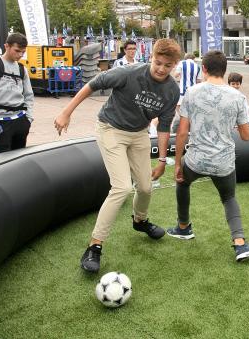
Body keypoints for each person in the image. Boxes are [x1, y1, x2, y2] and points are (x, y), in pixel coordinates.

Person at [54, 38, 182, 273]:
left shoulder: (172, 91)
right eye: (158, 62)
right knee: (122, 187)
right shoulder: (128, 73)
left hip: (139, 134)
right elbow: (93, 83)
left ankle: (139, 221)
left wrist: (163, 160)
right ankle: (95, 245)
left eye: (168, 65)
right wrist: (66, 112)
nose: (161, 69)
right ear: (151, 57)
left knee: (145, 187)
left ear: (175, 65)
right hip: (110, 128)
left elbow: (164, 126)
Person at [167, 50, 249, 262]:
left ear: (203, 69)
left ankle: (183, 227)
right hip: (223, 162)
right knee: (228, 198)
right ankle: (239, 244)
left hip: (195, 160)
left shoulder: (191, 93)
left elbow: (182, 132)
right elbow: (247, 136)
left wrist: (177, 164)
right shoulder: (238, 97)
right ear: (225, 70)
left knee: (182, 183)